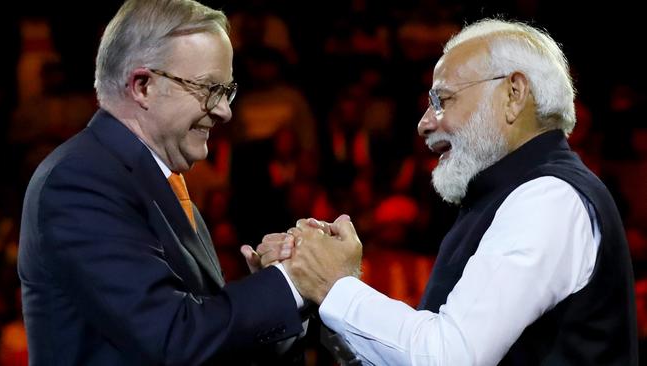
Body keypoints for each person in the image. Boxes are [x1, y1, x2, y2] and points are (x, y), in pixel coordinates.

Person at [262, 19, 638, 365]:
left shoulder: (548, 199)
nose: (425, 123)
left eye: (443, 99)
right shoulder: (505, 195)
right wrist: (314, 291)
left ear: (513, 93)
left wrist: (333, 286)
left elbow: (447, 357)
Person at [17, 0, 308, 364]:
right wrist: (290, 282)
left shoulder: (157, 180)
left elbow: (205, 337)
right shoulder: (79, 182)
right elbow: (174, 338)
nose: (225, 110)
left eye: (227, 91)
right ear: (142, 86)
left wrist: (277, 288)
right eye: (208, 89)